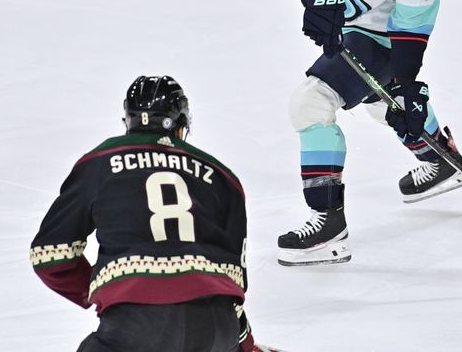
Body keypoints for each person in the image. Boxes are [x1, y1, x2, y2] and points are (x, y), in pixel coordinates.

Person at [265, 0, 462, 267]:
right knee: (382, 102)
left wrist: (410, 85)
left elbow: (411, 30)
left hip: (385, 35)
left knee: (312, 104)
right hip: (349, 23)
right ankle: (440, 159)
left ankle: (328, 227)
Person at [30, 76, 279, 352]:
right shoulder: (223, 177)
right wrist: (246, 345)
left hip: (137, 324)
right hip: (216, 328)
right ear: (181, 127)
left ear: (128, 121)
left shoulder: (99, 161)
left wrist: (105, 291)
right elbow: (234, 281)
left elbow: (50, 255)